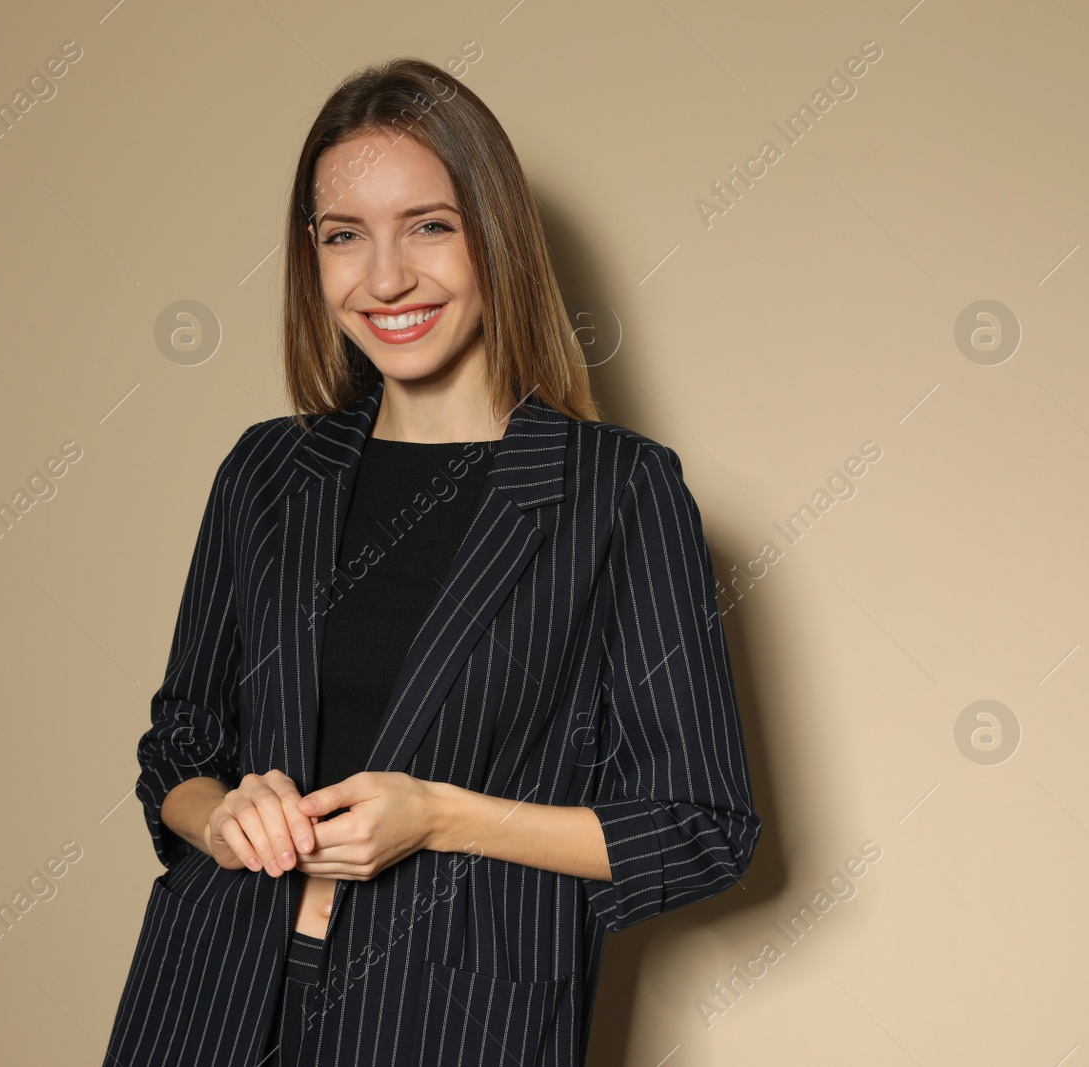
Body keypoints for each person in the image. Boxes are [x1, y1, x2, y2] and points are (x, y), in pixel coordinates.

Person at [102, 57, 761, 1067]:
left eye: (429, 225)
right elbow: (177, 749)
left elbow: (699, 825)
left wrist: (440, 817)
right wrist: (223, 811)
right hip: (203, 1003)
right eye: (342, 237)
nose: (385, 278)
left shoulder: (617, 491)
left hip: (453, 1022)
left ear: (492, 236)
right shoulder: (267, 471)